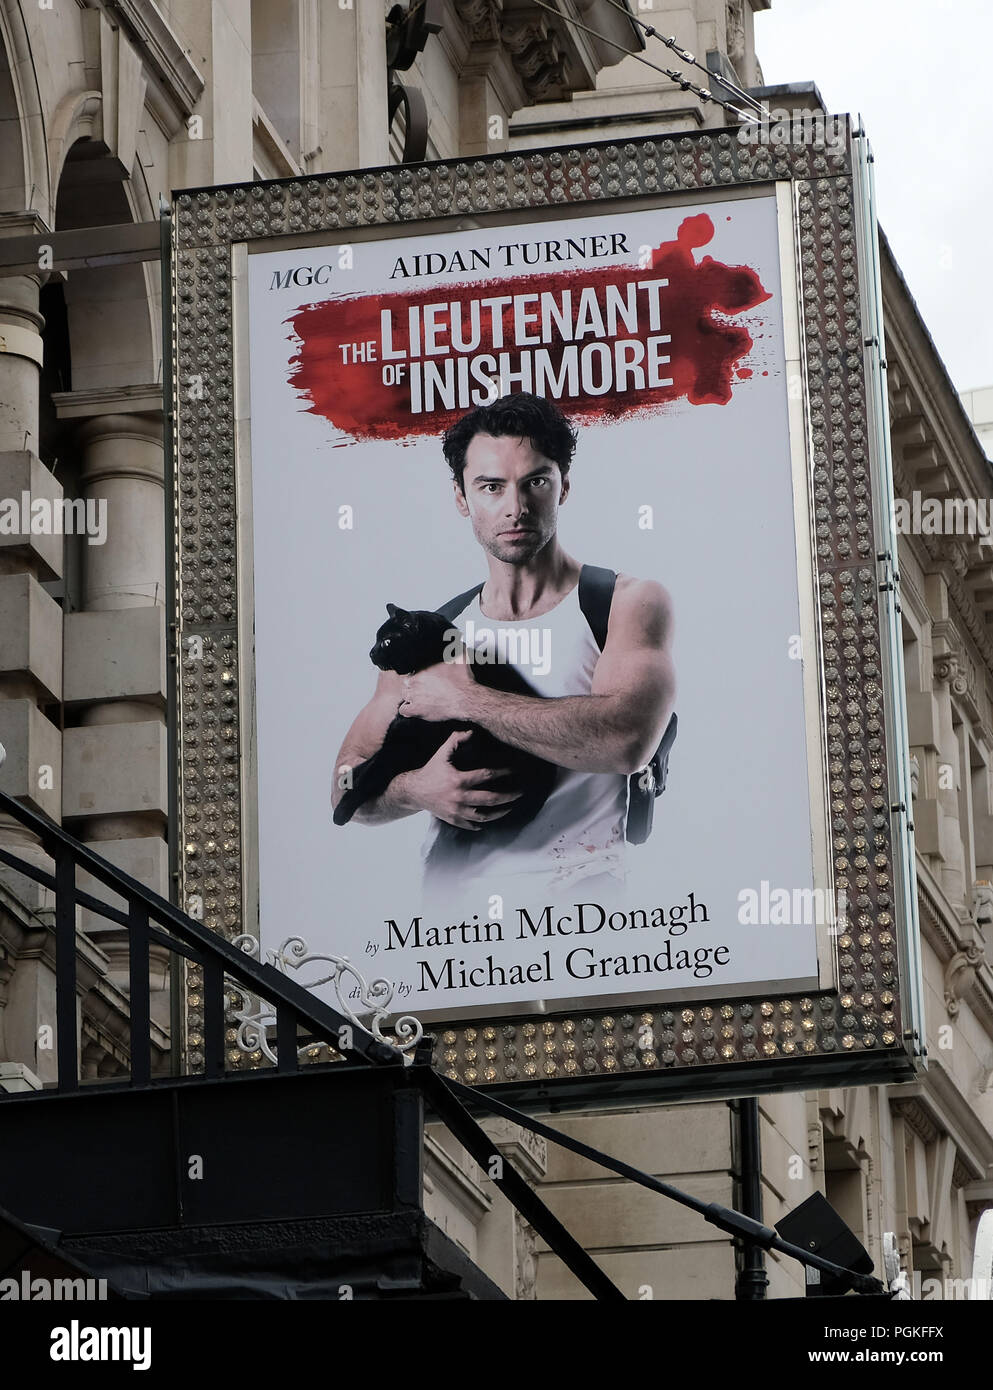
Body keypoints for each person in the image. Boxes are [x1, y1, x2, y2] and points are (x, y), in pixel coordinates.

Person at [331, 392, 675, 904]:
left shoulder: (622, 603)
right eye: (491, 487)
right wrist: (416, 789)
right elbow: (344, 787)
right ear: (461, 497)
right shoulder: (436, 631)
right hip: (450, 927)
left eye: (535, 481)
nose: (515, 508)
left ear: (563, 487)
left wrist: (465, 701)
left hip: (589, 922)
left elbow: (625, 741)